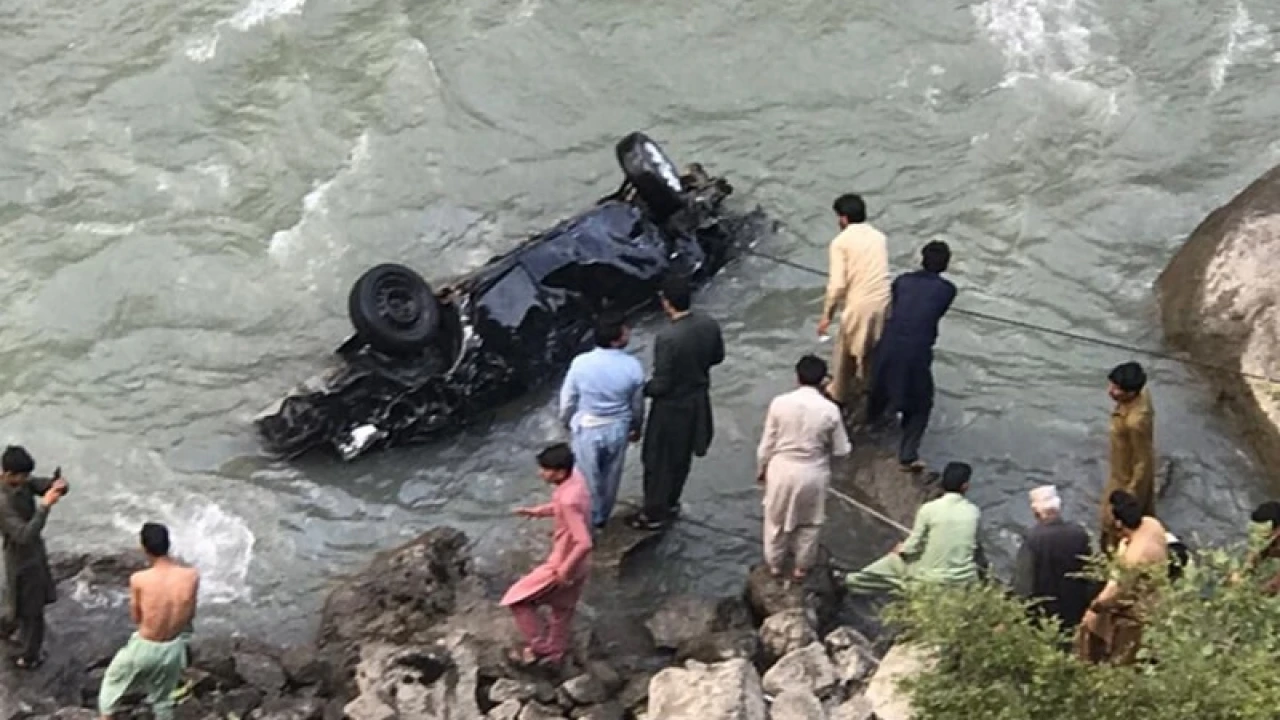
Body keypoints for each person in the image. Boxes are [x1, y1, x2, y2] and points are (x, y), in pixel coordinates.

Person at [629, 275, 725, 530]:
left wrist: (639, 389)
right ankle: (671, 502)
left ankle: (653, 514)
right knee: (681, 458)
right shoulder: (708, 323)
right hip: (697, 401)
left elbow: (662, 383)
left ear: (666, 302)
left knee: (657, 460)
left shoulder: (667, 337)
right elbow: (718, 357)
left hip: (670, 407)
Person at [756, 355, 852, 581]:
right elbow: (842, 450)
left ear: (797, 377)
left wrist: (761, 469)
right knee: (810, 523)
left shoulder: (779, 403)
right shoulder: (830, 410)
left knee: (775, 521)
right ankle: (801, 568)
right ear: (823, 381)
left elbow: (766, 445)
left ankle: (775, 566)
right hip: (813, 472)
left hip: (781, 469)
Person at [866, 241, 957, 472]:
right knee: (921, 404)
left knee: (879, 389)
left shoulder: (902, 281)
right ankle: (907, 455)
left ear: (921, 259)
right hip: (915, 353)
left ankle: (872, 423)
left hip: (886, 346)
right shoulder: (947, 290)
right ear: (946, 264)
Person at [501, 443, 593, 667]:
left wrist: (563, 570)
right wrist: (538, 511)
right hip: (582, 565)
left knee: (518, 600)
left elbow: (584, 542)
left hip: (563, 562)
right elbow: (562, 507)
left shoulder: (568, 500)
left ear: (560, 472)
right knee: (562, 609)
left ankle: (539, 647)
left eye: (545, 469)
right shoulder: (576, 482)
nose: (540, 473)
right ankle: (556, 652)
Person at [99, 523, 199, 720]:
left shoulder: (139, 579)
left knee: (112, 684)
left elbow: (136, 617)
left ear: (144, 548)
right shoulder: (191, 576)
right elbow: (190, 614)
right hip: (173, 649)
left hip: (145, 647)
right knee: (163, 700)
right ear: (168, 544)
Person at [842, 462, 983, 596]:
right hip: (964, 580)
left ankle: (851, 582)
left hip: (931, 579)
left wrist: (901, 550)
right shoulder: (974, 512)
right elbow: (974, 545)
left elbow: (913, 545)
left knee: (893, 562)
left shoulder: (929, 509)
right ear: (965, 486)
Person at [559, 313, 646, 529]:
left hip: (587, 427)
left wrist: (566, 420)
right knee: (611, 477)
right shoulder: (633, 367)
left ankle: (585, 519)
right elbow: (637, 405)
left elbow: (568, 399)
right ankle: (600, 518)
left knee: (587, 478)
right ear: (616, 339)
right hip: (618, 427)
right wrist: (636, 427)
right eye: (625, 330)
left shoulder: (580, 363)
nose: (629, 333)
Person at [1075, 491, 1168, 665]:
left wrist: (1095, 608)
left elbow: (1116, 592)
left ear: (1119, 523)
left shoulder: (1134, 558)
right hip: (1158, 597)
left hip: (1138, 611)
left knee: (1120, 654)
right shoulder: (1152, 524)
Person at [817, 193, 891, 410]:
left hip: (859, 304)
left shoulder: (840, 242)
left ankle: (838, 393)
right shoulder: (879, 237)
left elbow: (838, 285)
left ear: (843, 218)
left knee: (844, 351)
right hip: (884, 301)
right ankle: (869, 387)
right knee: (872, 350)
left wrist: (826, 316)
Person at [0, 446, 66, 669]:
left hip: (32, 554)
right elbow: (23, 535)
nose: (27, 480)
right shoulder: (3, 501)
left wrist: (57, 485)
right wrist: (45, 507)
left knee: (16, 602)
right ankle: (29, 657)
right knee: (33, 612)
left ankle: (6, 628)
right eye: (22, 476)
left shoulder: (21, 481)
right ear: (8, 475)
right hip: (20, 557)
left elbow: (41, 485)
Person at [1011, 485, 1093, 634]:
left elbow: (1023, 585)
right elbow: (1091, 573)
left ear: (1036, 512)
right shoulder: (1079, 533)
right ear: (1058, 507)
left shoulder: (1032, 539)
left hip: (1044, 614)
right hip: (1075, 609)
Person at [1100, 361, 1155, 552]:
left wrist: (1130, 494)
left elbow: (1143, 460)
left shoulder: (1135, 422)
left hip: (1124, 477)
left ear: (1131, 393)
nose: (1110, 391)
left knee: (1111, 522)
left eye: (1116, 389)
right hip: (1119, 464)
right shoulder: (1141, 395)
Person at [1241, 500, 1280, 594]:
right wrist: (1243, 572)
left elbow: (1274, 586)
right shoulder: (1270, 541)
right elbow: (1254, 557)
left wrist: (1248, 593)